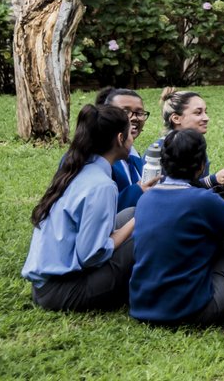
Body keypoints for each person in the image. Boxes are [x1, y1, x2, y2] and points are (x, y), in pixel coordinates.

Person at [128, 129, 224, 324]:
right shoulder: (203, 200)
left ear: (163, 163)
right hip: (193, 311)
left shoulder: (145, 198)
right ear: (201, 166)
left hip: (141, 306)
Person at [22, 104, 137, 312]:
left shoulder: (78, 168)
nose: (132, 139)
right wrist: (137, 224)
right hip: (66, 291)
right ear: (120, 138)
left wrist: (133, 220)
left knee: (130, 213)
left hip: (44, 287)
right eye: (130, 133)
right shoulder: (102, 185)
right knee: (145, 228)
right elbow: (91, 256)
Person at [141, 89, 224, 187]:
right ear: (176, 118)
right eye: (198, 113)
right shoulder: (158, 151)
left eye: (205, 112)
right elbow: (167, 190)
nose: (206, 118)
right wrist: (212, 180)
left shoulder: (194, 144)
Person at [94, 86, 151, 211]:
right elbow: (100, 208)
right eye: (125, 111)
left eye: (140, 112)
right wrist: (139, 189)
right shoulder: (94, 159)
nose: (134, 117)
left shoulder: (135, 156)